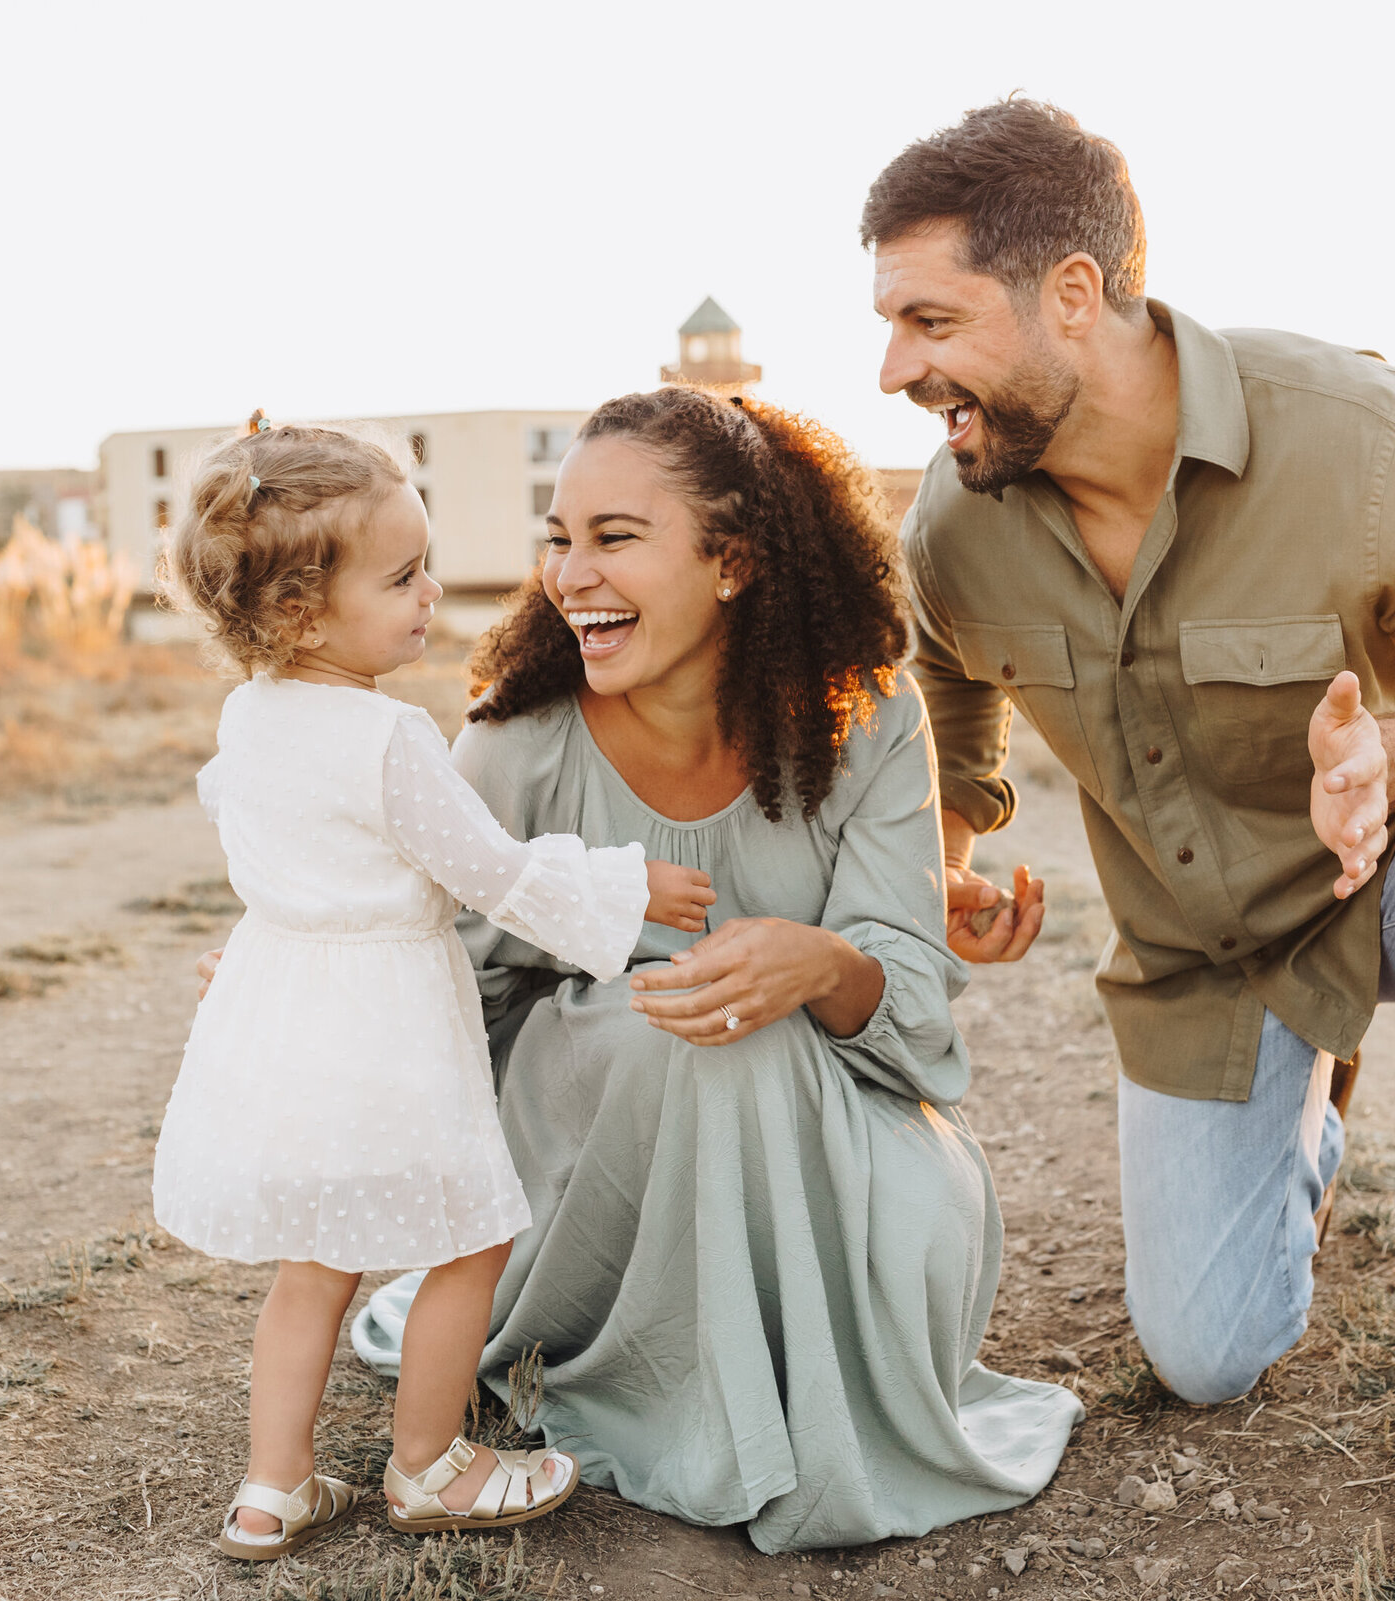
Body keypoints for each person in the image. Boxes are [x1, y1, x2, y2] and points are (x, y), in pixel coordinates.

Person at [863, 100, 1395, 1586]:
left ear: (1073, 297)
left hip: (1383, 876)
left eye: (929, 318)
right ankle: (1308, 1092)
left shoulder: (1357, 435)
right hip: (1198, 955)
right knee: (1206, 1357)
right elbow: (945, 676)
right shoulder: (959, 520)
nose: (896, 368)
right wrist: (955, 830)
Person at [345, 387, 1084, 1553]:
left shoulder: (872, 717)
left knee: (759, 1045)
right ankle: (677, 1387)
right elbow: (439, 996)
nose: (571, 572)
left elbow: (913, 1006)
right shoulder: (510, 746)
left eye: (616, 537)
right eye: (559, 536)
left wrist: (817, 960)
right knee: (687, 1031)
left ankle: (815, 1378)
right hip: (594, 1169)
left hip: (840, 1143)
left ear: (733, 559)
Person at [151, 414, 711, 1560]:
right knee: (471, 1235)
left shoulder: (246, 716)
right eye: (403, 576)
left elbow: (267, 858)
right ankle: (430, 1468)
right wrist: (625, 882)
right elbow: (491, 874)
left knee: (318, 1255)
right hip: (386, 1024)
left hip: (291, 1007)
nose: (430, 592)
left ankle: (271, 1487)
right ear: (303, 608)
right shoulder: (391, 737)